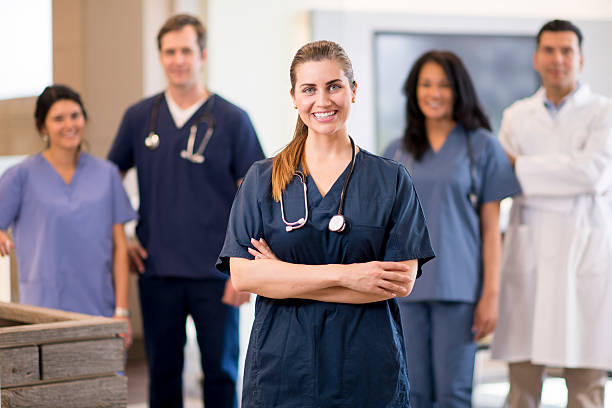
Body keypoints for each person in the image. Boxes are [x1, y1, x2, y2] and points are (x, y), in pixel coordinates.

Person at [216, 40, 435, 408]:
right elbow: (245, 277)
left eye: (334, 86)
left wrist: (283, 277)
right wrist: (349, 276)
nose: (323, 100)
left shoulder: (391, 180)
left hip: (366, 368)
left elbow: (399, 282)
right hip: (283, 369)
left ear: (353, 90)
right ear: (294, 97)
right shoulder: (263, 179)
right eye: (309, 89)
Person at [107, 14, 264, 408]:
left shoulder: (232, 119)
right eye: (170, 51)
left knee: (221, 373)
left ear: (203, 55)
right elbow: (108, 180)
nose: (178, 59)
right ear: (161, 57)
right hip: (157, 271)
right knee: (162, 372)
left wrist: (245, 268)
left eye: (186, 51)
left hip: (217, 273)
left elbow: (255, 198)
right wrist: (122, 237)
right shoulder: (140, 117)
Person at [382, 51, 521, 407]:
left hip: (459, 291)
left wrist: (491, 294)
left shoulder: (483, 147)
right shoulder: (397, 151)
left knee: (453, 394)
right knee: (412, 393)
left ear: (458, 90)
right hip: (405, 290)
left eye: (443, 84)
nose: (434, 92)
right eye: (426, 84)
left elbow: (492, 230)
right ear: (414, 91)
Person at [491, 19, 612, 408]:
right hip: (529, 257)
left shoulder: (603, 113)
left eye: (566, 51)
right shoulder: (516, 115)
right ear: (536, 58)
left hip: (583, 258)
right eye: (549, 50)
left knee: (587, 390)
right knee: (522, 392)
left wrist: (524, 166)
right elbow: (502, 177)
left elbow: (594, 173)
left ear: (581, 58)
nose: (557, 59)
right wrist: (561, 171)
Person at [0, 85, 135, 347]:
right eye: (58, 118)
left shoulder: (106, 174)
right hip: (41, 308)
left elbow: (121, 248)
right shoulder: (21, 175)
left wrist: (122, 312)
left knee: (102, 383)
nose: (69, 124)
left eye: (75, 115)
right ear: (43, 127)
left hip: (98, 307)